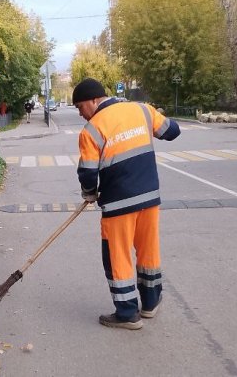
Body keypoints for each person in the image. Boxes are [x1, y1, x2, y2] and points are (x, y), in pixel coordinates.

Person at [73, 78, 180, 330]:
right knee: (148, 252)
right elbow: (172, 132)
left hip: (118, 204)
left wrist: (89, 193)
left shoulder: (91, 130)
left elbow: (88, 172)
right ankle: (150, 304)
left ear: (94, 101)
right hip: (149, 198)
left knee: (117, 256)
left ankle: (127, 313)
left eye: (80, 107)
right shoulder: (142, 110)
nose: (80, 114)